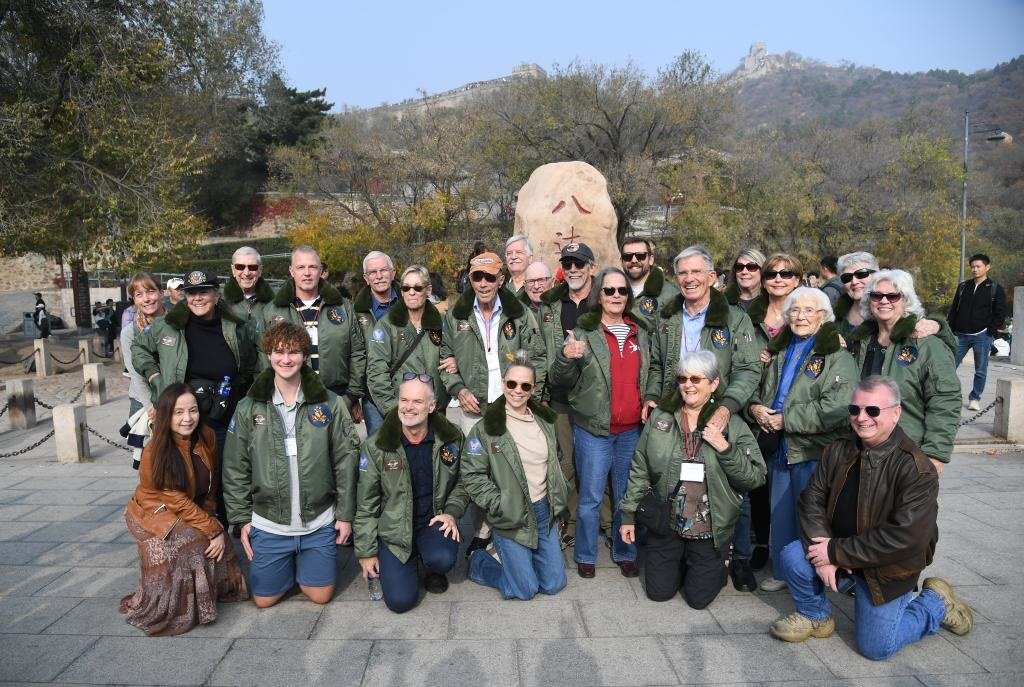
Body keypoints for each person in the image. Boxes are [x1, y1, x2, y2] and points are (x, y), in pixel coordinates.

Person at [769, 376, 973, 660]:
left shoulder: (916, 468)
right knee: (792, 556)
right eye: (855, 409)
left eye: (872, 411)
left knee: (876, 648)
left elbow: (905, 537)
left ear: (896, 413)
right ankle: (816, 615)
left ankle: (935, 604)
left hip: (887, 568)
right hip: (839, 548)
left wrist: (833, 552)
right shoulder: (838, 449)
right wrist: (825, 552)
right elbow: (811, 500)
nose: (861, 418)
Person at [223, 322, 360, 608]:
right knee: (263, 599)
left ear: (305, 355)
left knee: (320, 597)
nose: (286, 359)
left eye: (294, 352)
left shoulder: (329, 404)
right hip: (270, 522)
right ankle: (284, 561)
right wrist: (242, 520)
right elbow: (235, 466)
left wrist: (345, 516)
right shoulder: (250, 407)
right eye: (279, 352)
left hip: (317, 521)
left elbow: (346, 461)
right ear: (268, 355)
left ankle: (306, 561)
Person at [620, 350, 765, 606]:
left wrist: (725, 448)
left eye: (696, 379)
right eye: (683, 378)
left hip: (709, 525)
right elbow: (640, 466)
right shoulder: (661, 418)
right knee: (658, 593)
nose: (688, 385)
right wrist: (629, 515)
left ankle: (717, 563)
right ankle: (681, 561)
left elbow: (755, 477)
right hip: (668, 521)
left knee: (698, 600)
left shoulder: (733, 425)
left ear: (714, 384)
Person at [745, 287, 857, 592]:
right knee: (780, 512)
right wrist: (755, 407)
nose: (801, 316)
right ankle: (783, 571)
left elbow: (838, 406)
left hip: (812, 448)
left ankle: (818, 573)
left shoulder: (836, 355)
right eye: (795, 310)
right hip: (778, 445)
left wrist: (787, 419)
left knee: (811, 515)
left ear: (823, 316)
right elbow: (756, 385)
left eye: (809, 311)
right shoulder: (779, 349)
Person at [440, 251, 546, 556]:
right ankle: (483, 533)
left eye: (490, 277)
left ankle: (513, 530)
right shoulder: (455, 317)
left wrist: (525, 397)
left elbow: (535, 356)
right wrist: (458, 389)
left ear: (501, 280)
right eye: (477, 277)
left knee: (513, 470)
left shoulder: (519, 314)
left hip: (511, 406)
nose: (483, 283)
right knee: (477, 473)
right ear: (470, 279)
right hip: (473, 408)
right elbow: (443, 359)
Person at [121, 384, 248, 635]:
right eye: (178, 412)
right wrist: (212, 529)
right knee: (195, 544)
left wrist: (212, 518)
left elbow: (211, 486)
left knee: (218, 545)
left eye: (192, 410)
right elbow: (175, 500)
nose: (187, 418)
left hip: (190, 508)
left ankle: (213, 590)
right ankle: (180, 607)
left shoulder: (207, 436)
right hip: (153, 513)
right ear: (166, 415)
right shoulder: (155, 450)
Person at [551, 267, 649, 579]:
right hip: (594, 430)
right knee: (591, 497)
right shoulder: (584, 332)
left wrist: (651, 397)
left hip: (631, 430)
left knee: (625, 496)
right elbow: (560, 379)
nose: (616, 296)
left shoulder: (640, 331)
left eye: (622, 291)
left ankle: (625, 551)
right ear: (599, 295)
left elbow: (653, 372)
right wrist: (567, 357)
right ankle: (585, 554)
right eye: (609, 291)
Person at [354, 374, 467, 613]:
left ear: (432, 406)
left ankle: (431, 566)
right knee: (400, 602)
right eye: (404, 400)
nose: (408, 407)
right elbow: (366, 504)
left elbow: (464, 482)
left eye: (417, 401)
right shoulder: (376, 446)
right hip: (395, 532)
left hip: (432, 522)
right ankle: (407, 560)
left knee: (442, 558)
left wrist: (452, 513)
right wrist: (366, 551)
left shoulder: (452, 438)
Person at [464, 353, 569, 599]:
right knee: (525, 589)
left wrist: (557, 498)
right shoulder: (487, 426)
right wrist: (499, 504)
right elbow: (472, 475)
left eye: (525, 385)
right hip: (510, 515)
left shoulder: (545, 420)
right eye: (512, 384)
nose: (517, 391)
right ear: (503, 383)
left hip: (543, 511)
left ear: (532, 389)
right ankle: (480, 561)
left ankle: (522, 561)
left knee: (554, 584)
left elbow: (556, 460)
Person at [132, 269, 257, 476]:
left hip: (225, 418)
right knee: (185, 476)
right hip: (183, 419)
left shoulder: (237, 326)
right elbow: (139, 348)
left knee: (224, 477)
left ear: (216, 296)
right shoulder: (169, 325)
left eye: (204, 292)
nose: (197, 298)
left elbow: (251, 364)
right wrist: (154, 375)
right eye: (191, 293)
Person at [849, 270, 961, 471]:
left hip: (906, 454)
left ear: (906, 300)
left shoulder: (927, 345)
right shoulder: (859, 343)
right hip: (859, 451)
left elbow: (945, 401)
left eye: (892, 296)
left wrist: (935, 455)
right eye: (877, 295)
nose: (884, 301)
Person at [644, 245, 761, 436]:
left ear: (712, 277)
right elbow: (657, 364)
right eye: (683, 273)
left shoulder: (736, 319)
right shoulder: (666, 317)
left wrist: (727, 407)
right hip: (673, 414)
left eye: (696, 271)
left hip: (716, 415)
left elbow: (748, 369)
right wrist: (651, 396)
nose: (689, 279)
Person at [536, 242, 599, 549]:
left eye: (579, 263)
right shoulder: (550, 306)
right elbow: (540, 351)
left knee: (599, 460)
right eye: (568, 264)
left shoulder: (605, 300)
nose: (574, 269)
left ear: (591, 267)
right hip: (561, 396)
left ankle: (608, 521)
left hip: (597, 397)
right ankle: (570, 520)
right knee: (567, 462)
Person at [263, 245, 365, 423]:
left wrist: (351, 395)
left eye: (312, 267)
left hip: (338, 397)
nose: (307, 273)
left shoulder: (343, 307)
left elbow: (357, 351)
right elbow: (263, 356)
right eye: (301, 267)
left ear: (321, 271)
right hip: (292, 400)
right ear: (291, 271)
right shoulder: (272, 311)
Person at [366, 265, 449, 426]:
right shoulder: (387, 325)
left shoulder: (443, 323)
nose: (411, 292)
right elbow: (376, 372)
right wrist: (392, 411)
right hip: (402, 414)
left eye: (418, 288)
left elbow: (452, 359)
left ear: (428, 290)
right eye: (406, 288)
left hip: (435, 412)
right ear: (401, 291)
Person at [948, 253, 1007, 412]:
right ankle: (945, 396)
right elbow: (954, 310)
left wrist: (991, 331)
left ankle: (975, 398)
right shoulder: (963, 287)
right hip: (960, 335)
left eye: (978, 266)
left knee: (980, 370)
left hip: (982, 335)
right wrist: (951, 330)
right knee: (948, 366)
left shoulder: (994, 288)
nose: (974, 269)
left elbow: (1000, 312)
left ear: (987, 267)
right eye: (972, 267)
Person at [353, 251, 400, 436]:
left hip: (410, 391)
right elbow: (354, 355)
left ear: (393, 273)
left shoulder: (411, 302)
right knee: (380, 453)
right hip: (372, 397)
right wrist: (354, 395)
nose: (379, 276)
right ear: (366, 278)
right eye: (373, 272)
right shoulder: (355, 313)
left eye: (383, 270)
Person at [120, 272, 167, 419]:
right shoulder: (130, 333)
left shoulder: (178, 323)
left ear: (161, 293)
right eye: (139, 294)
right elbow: (135, 374)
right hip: (144, 402)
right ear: (134, 299)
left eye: (150, 292)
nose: (146, 299)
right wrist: (150, 405)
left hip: (176, 396)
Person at [620, 235, 678, 329]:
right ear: (621, 261)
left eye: (640, 256)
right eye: (627, 256)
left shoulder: (671, 294)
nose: (634, 260)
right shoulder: (610, 292)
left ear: (651, 259)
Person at [223, 246, 274, 329]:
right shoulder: (220, 302)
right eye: (240, 267)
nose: (246, 273)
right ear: (233, 270)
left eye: (252, 267)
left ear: (260, 270)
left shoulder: (275, 302)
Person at [723, 247, 766, 312]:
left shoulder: (771, 302)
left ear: (762, 270)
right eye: (739, 267)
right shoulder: (722, 302)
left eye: (751, 267)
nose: (744, 272)